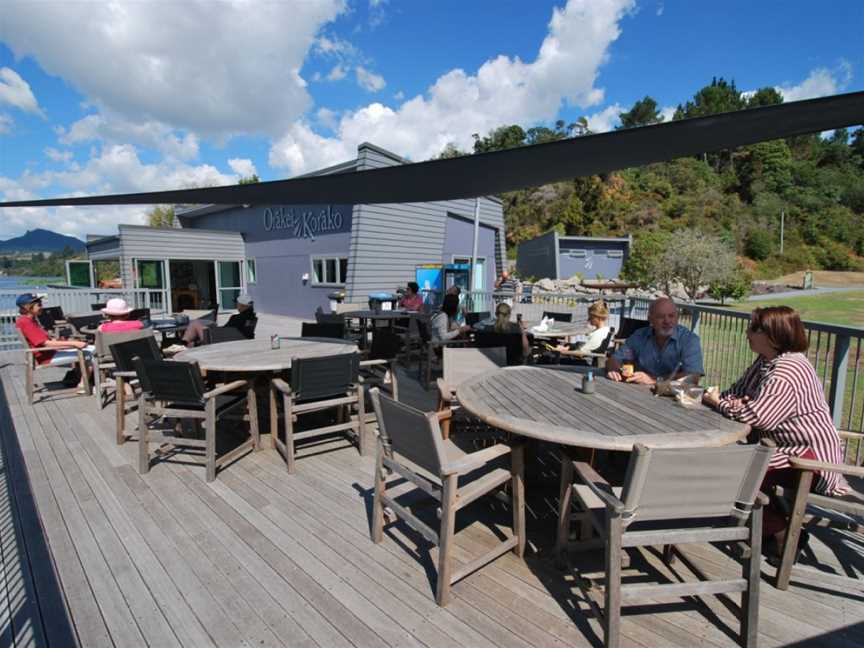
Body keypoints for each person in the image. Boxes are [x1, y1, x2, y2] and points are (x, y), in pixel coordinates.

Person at [702, 306, 847, 562]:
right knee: (734, 466)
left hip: (808, 456)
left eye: (753, 328)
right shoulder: (766, 362)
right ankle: (768, 528)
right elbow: (736, 393)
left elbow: (759, 416)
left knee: (738, 471)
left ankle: (783, 536)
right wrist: (728, 401)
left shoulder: (787, 371)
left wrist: (719, 403)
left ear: (772, 335)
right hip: (780, 447)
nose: (747, 333)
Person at [606, 297, 703, 384]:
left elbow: (693, 377)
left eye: (671, 316)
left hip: (673, 397)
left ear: (677, 318)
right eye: (661, 317)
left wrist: (654, 380)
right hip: (637, 394)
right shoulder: (639, 336)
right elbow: (614, 359)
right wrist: (614, 371)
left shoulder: (689, 340)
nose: (667, 321)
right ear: (650, 319)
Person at [15, 293, 93, 391]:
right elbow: (46, 343)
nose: (41, 307)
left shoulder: (29, 320)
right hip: (47, 356)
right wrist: (74, 344)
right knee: (90, 353)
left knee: (89, 349)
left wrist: (68, 342)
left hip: (48, 353)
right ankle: (84, 385)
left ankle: (84, 379)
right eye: (39, 305)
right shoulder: (26, 322)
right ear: (27, 307)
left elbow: (46, 340)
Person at [183, 293, 256, 346]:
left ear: (242, 305)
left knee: (195, 324)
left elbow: (224, 332)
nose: (236, 305)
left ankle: (183, 344)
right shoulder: (252, 318)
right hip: (238, 341)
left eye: (237, 303)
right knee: (204, 326)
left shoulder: (236, 318)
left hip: (218, 341)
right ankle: (186, 344)